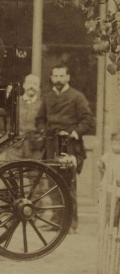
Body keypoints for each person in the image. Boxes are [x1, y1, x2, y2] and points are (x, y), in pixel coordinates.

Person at [35, 64, 94, 233]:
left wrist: (75, 133)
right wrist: (43, 131)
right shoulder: (48, 97)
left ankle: (70, 224)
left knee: (68, 185)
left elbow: (88, 120)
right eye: (56, 76)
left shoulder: (77, 97)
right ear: (52, 78)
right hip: (52, 144)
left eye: (62, 76)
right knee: (53, 184)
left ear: (68, 77)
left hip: (68, 145)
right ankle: (56, 221)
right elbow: (40, 119)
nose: (59, 80)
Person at [5, 74, 44, 160]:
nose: (31, 86)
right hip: (15, 146)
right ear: (24, 85)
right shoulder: (15, 102)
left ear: (38, 88)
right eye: (29, 83)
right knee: (12, 171)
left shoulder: (42, 105)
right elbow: (6, 121)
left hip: (34, 147)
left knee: (35, 172)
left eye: (35, 84)